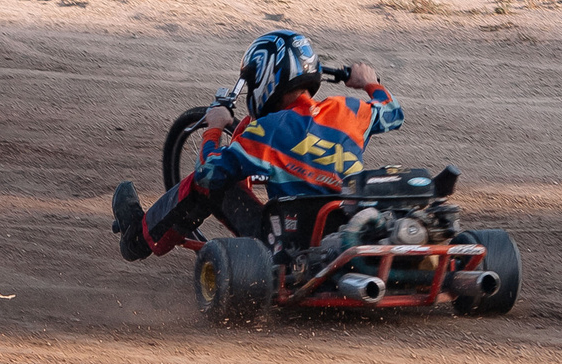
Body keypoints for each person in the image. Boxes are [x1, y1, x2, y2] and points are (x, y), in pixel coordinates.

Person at [112, 30, 401, 261]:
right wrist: (369, 82)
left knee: (208, 184)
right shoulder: (348, 109)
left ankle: (138, 238)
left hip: (287, 248)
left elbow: (208, 174)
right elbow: (392, 112)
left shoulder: (263, 132)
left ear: (265, 79)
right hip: (350, 224)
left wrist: (213, 129)